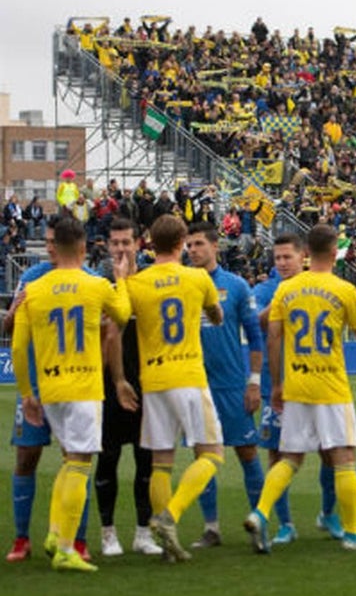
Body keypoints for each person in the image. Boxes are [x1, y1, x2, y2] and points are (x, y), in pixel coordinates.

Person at [244, 224, 356, 553]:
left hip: (296, 385)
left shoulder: (286, 290)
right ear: (335, 252)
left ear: (306, 253)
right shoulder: (343, 289)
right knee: (345, 457)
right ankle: (351, 533)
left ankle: (260, 513)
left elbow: (273, 337)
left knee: (289, 458)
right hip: (330, 387)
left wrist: (276, 385)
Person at [11, 215, 132, 571]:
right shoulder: (95, 285)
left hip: (49, 390)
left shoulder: (33, 290)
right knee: (80, 463)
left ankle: (53, 533)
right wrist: (122, 281)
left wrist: (27, 393)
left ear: (55, 247)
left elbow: (18, 348)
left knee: (69, 462)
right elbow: (122, 314)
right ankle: (66, 548)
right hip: (84, 386)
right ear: (82, 248)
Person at [124, 214, 225, 562]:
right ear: (182, 242)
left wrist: (124, 280)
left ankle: (167, 542)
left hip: (153, 381)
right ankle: (171, 515)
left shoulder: (137, 283)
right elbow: (216, 315)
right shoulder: (198, 278)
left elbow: (120, 318)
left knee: (161, 463)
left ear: (150, 243)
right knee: (212, 453)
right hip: (189, 376)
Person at [5, 216, 95, 562]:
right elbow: (9, 325)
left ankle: (77, 541)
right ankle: (21, 539)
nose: (49, 247)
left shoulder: (90, 281)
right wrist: (15, 309)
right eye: (46, 241)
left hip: (73, 383)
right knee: (26, 457)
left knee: (75, 459)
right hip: (35, 385)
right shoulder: (31, 278)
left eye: (54, 241)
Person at [185, 222, 266, 548]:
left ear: (215, 246)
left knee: (247, 453)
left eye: (198, 244)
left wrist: (254, 382)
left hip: (232, 385)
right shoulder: (181, 283)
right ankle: (211, 528)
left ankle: (259, 522)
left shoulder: (235, 286)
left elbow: (256, 336)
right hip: (194, 384)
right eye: (189, 245)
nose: (192, 250)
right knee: (202, 457)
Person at [94, 218, 163, 557]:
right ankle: (108, 533)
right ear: (108, 245)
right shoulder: (102, 286)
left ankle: (142, 532)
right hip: (108, 387)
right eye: (115, 243)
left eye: (126, 242)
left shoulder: (151, 282)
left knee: (145, 461)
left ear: (139, 244)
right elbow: (107, 336)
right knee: (107, 460)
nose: (121, 249)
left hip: (148, 385)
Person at [251, 234, 306, 544]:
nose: (283, 263)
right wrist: (279, 301)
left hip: (314, 384)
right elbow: (255, 322)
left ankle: (331, 515)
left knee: (331, 453)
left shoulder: (316, 284)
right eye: (278, 258)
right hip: (278, 387)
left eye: (288, 257)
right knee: (276, 454)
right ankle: (285, 524)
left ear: (302, 257)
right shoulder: (263, 290)